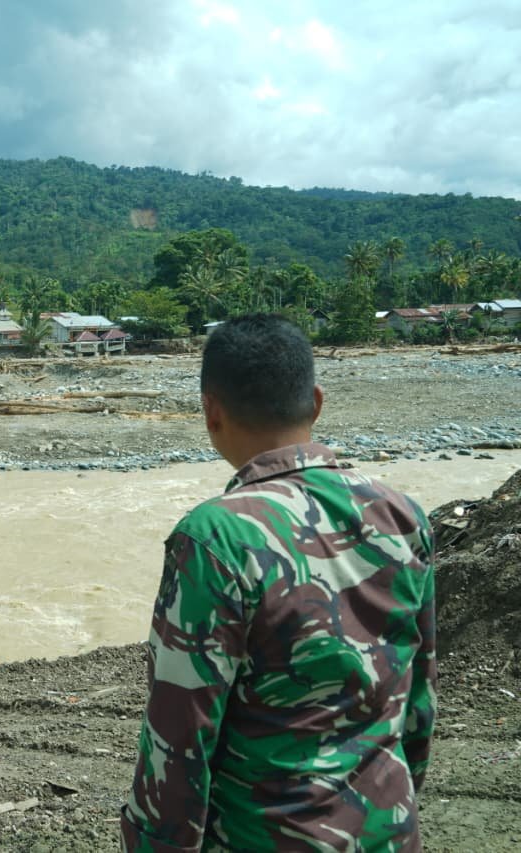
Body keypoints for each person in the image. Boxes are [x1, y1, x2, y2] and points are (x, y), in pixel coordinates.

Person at [121, 314, 436, 851]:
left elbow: (180, 732)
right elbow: (418, 697)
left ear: (211, 411)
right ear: (316, 402)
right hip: (388, 830)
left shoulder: (215, 537)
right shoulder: (402, 514)